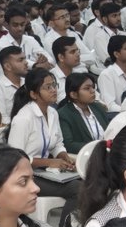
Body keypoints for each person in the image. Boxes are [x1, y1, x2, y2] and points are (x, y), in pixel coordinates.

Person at [6, 67, 80, 206]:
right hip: (24, 176)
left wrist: (64, 157)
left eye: (54, 85)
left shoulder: (53, 113)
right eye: (47, 87)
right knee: (77, 188)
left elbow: (57, 144)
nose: (53, 90)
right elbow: (15, 157)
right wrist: (50, 162)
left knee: (88, 181)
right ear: (34, 94)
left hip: (44, 172)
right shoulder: (24, 118)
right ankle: (69, 221)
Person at [56, 70, 110, 154]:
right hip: (84, 156)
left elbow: (110, 131)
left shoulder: (98, 107)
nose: (92, 91)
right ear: (73, 94)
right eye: (87, 88)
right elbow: (69, 145)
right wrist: (98, 147)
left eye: (93, 87)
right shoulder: (63, 114)